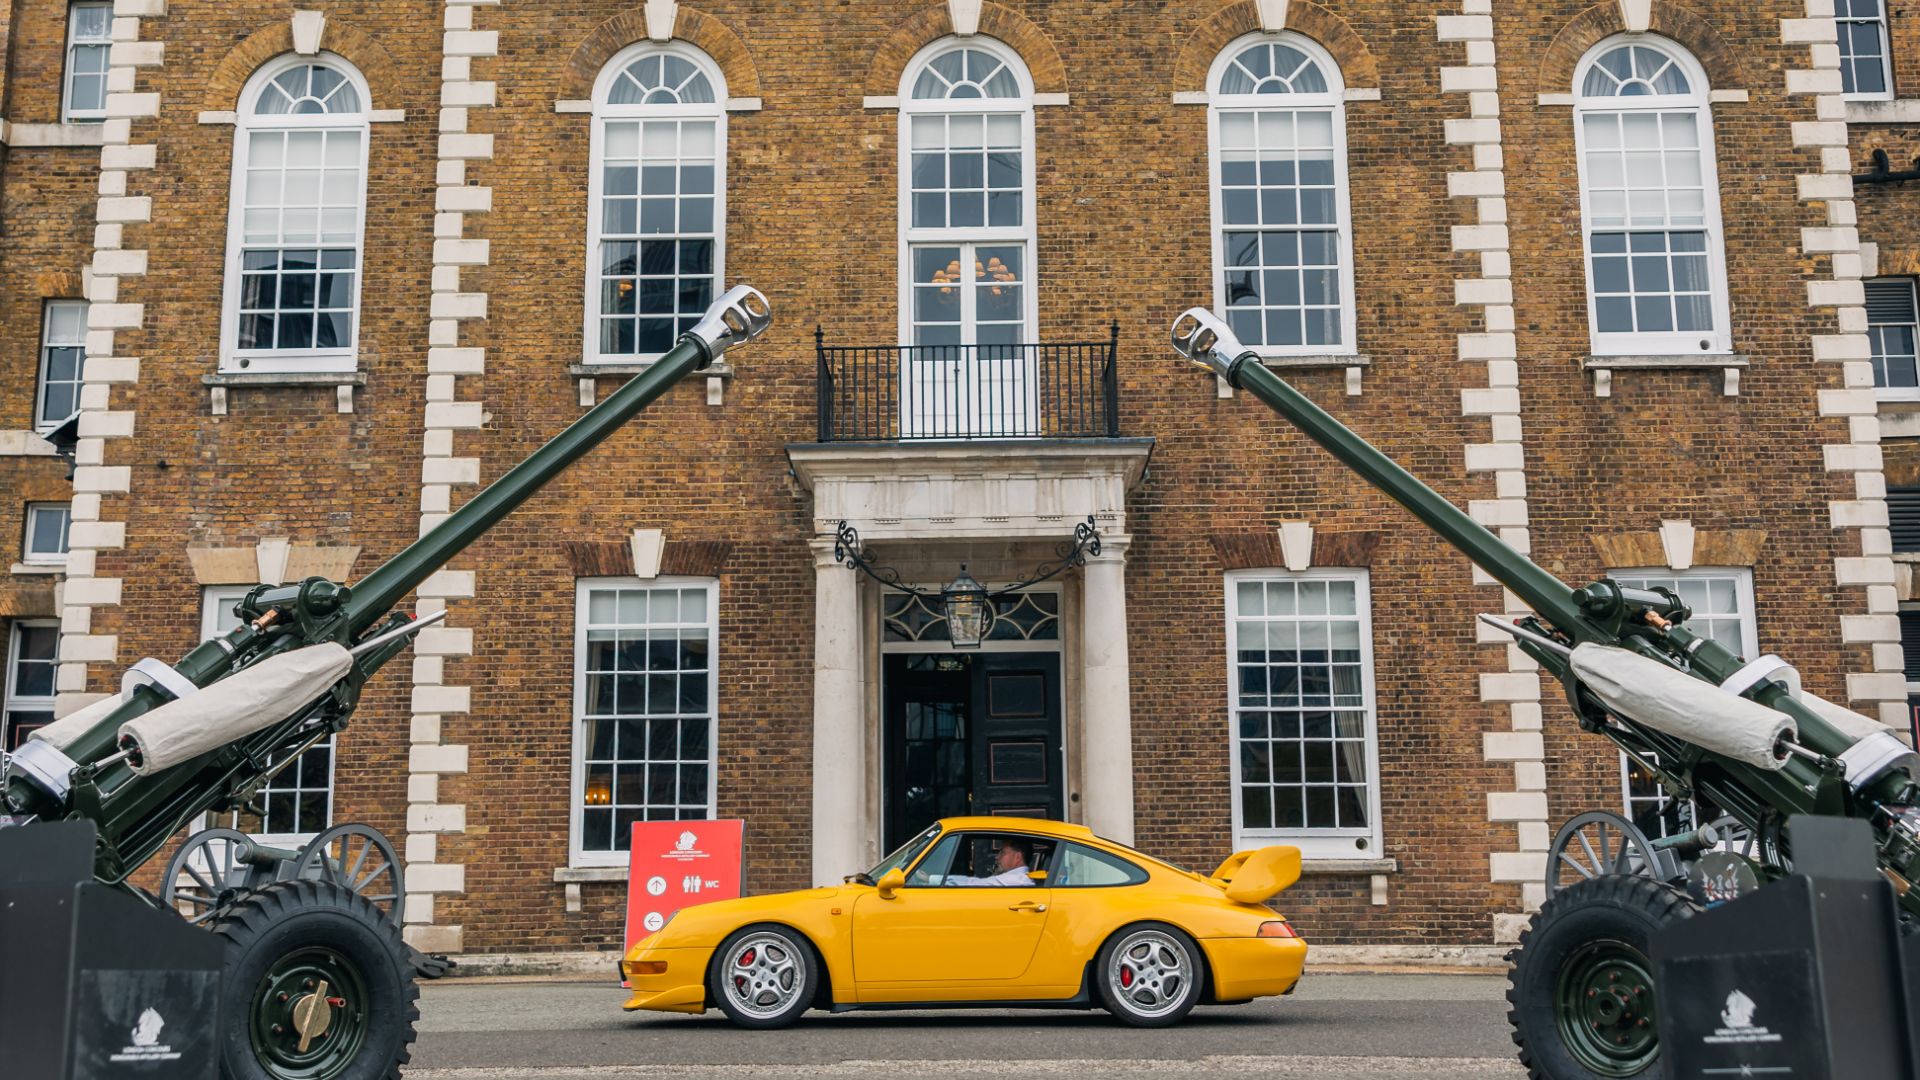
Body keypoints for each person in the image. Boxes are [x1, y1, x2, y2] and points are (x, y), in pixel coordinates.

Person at [945, 838, 1037, 887]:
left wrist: (935, 880)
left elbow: (973, 884)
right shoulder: (1019, 878)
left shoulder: (1015, 879)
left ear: (1017, 857)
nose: (997, 857)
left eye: (1002, 852)